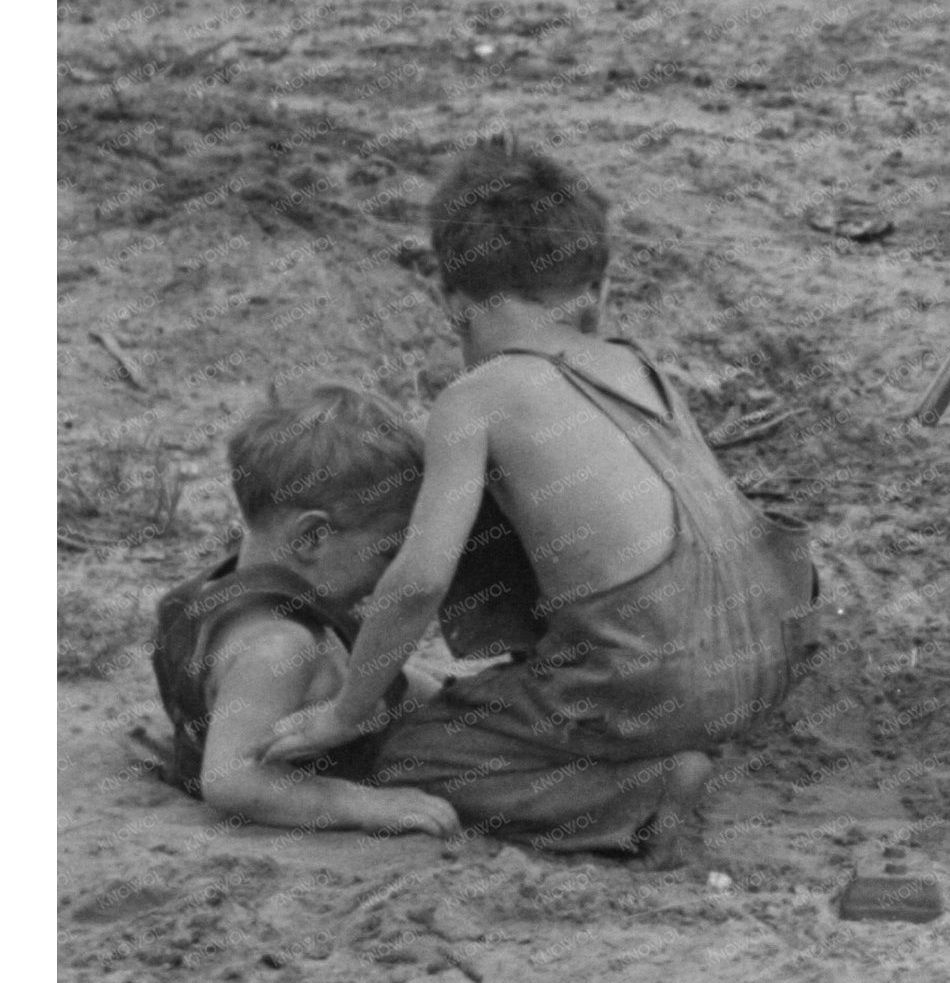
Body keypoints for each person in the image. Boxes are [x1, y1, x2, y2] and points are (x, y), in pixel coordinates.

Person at [261, 143, 816, 868]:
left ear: (451, 301)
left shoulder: (477, 398)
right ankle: (641, 732)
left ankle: (640, 795)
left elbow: (421, 582)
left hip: (654, 680)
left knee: (411, 752)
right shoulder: (635, 364)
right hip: (768, 653)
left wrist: (346, 711)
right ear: (594, 285)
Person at [147, 386, 461, 839]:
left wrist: (445, 698)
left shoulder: (204, 594)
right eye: (389, 552)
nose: (395, 572)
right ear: (311, 537)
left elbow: (377, 678)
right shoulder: (278, 648)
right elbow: (233, 781)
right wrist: (361, 803)